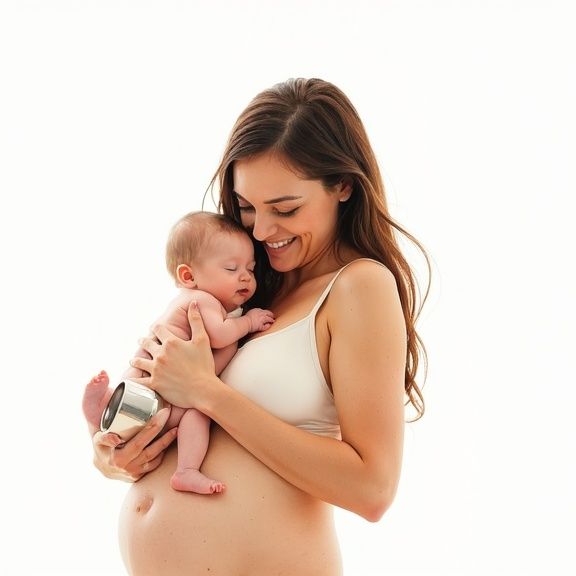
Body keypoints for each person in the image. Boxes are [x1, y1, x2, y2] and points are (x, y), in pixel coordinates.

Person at [85, 77, 429, 575]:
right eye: (247, 208)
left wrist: (208, 392)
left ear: (343, 186)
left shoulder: (359, 287)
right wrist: (120, 456)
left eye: (285, 209)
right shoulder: (251, 286)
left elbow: (372, 489)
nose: (263, 231)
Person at [83, 210, 275, 494]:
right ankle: (186, 469)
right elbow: (221, 336)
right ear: (188, 275)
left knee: (142, 415)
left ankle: (101, 408)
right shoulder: (202, 300)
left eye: (251, 268)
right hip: (161, 389)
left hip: (149, 387)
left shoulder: (189, 299)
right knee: (198, 415)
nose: (246, 278)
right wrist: (248, 321)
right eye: (232, 269)